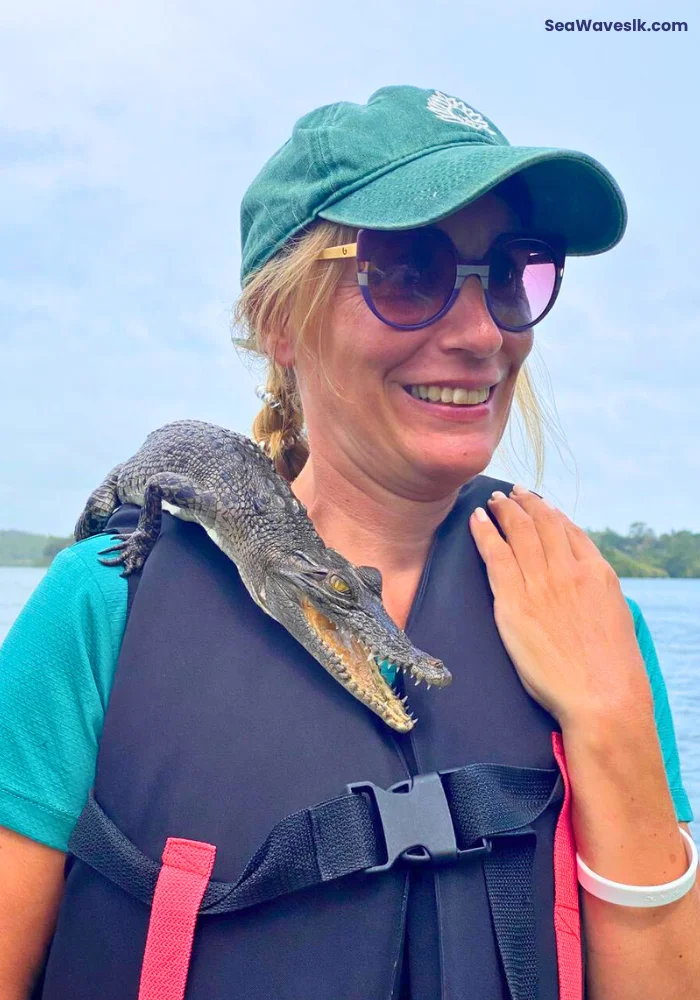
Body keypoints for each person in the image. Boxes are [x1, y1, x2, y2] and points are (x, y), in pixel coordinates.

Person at [0, 85, 697, 1000]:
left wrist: (612, 723)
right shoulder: (100, 605)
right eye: (408, 271)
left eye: (513, 271)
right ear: (280, 323)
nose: (482, 332)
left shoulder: (591, 615)